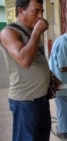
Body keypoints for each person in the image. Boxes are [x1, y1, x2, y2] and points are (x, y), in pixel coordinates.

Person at [0, 0, 52, 141]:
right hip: (25, 101)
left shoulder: (32, 31)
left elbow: (39, 58)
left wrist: (51, 77)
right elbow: (25, 60)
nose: (40, 16)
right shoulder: (9, 32)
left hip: (41, 97)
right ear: (20, 11)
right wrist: (37, 32)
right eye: (36, 11)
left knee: (42, 137)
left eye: (42, 12)